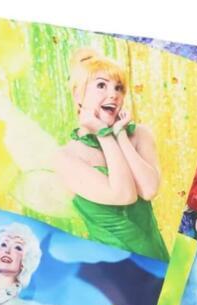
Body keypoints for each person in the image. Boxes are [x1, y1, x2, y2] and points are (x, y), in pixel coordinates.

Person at [52, 47, 170, 260]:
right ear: (78, 95)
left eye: (119, 88)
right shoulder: (66, 157)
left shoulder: (140, 135)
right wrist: (104, 134)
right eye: (101, 85)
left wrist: (120, 135)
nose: (113, 94)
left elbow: (149, 190)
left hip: (156, 257)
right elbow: (123, 195)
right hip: (113, 268)